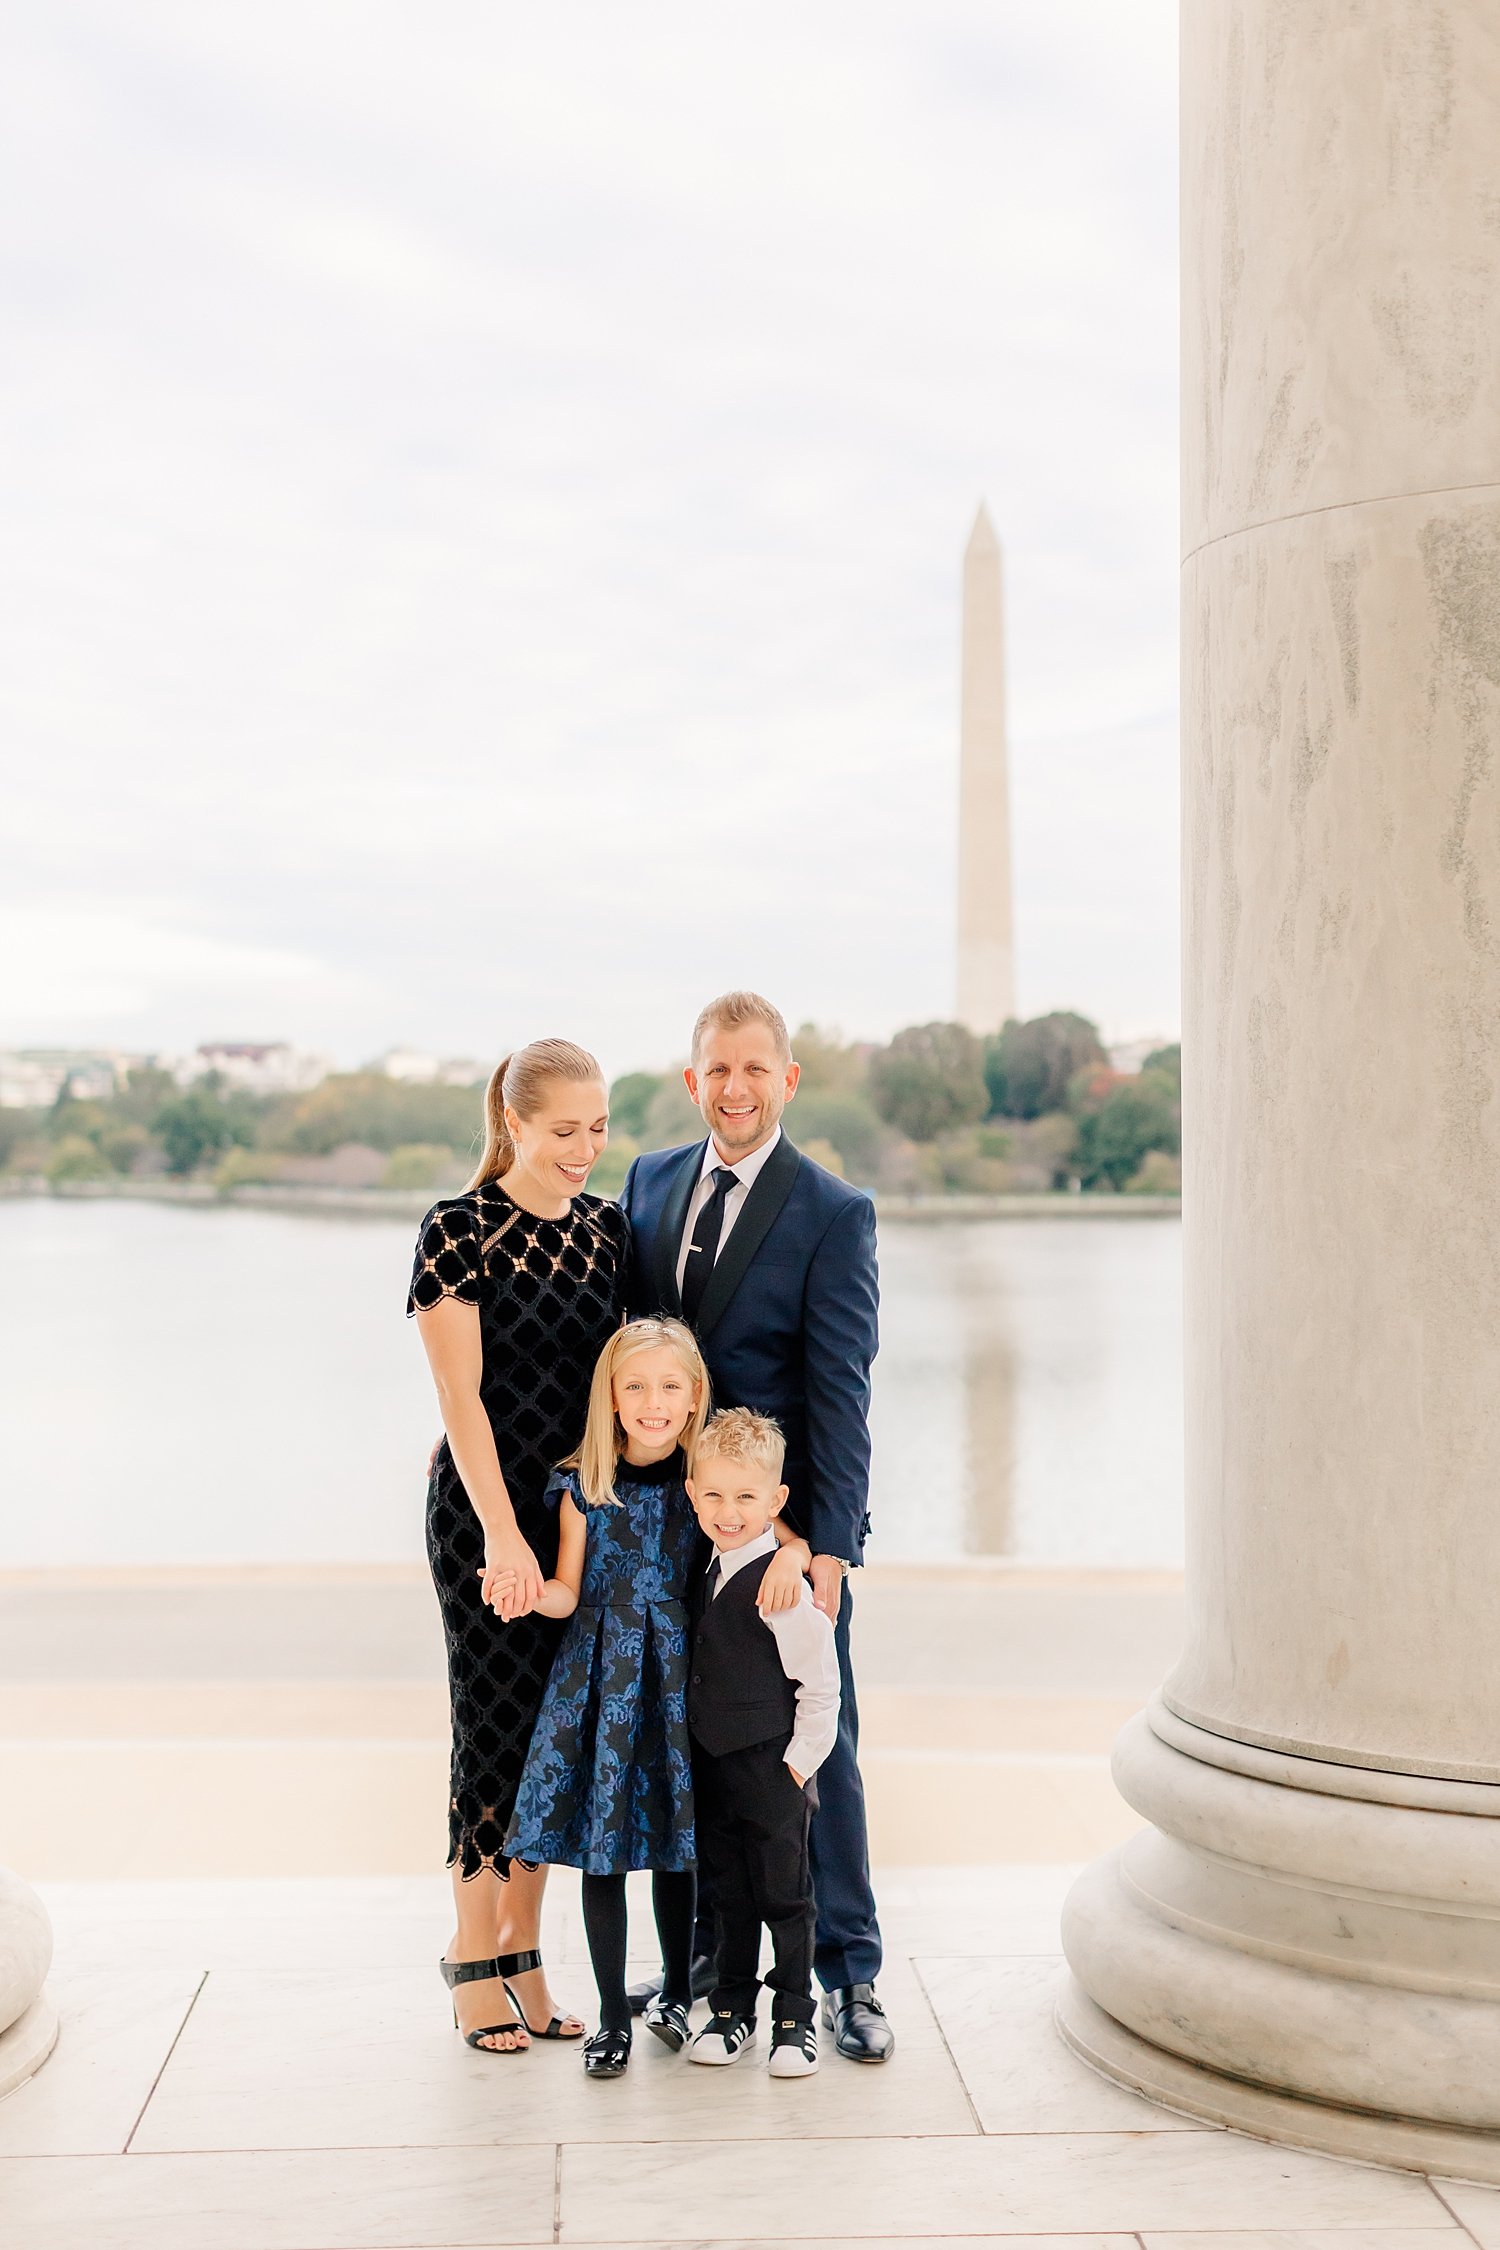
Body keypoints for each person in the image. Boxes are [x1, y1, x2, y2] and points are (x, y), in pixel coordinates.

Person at [619, 990, 893, 2064]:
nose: (734, 1088)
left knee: (817, 1749)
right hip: (674, 1536)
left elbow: (841, 1394)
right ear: (693, 1083)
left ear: (787, 1080)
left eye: (754, 1069)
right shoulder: (645, 1181)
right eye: (715, 1070)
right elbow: (622, 1356)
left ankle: (851, 1973)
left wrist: (823, 1549)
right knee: (693, 1751)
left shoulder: (832, 1211)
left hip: (776, 1542)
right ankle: (707, 1971)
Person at [503, 1321, 813, 2078]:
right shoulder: (584, 1486)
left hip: (681, 1679)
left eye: (670, 1386)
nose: (653, 1402)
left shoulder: (703, 1479)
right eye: (635, 1385)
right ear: (610, 1395)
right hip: (601, 1680)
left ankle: (678, 1993)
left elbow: (773, 1534)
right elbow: (567, 1591)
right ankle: (613, 2014)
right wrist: (526, 1590)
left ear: (695, 1394)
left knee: (682, 1846)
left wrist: (801, 1553)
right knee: (604, 1852)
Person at [409, 1038, 626, 2056]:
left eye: (598, 1128)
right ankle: (470, 1952)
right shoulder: (459, 1230)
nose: (584, 1150)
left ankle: (526, 1953)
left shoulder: (608, 1232)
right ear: (513, 1126)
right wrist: (502, 1536)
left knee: (553, 1741)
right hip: (484, 1517)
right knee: (492, 1724)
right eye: (563, 1131)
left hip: (573, 1513)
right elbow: (460, 1399)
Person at [684, 1408, 840, 2078]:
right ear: (692, 1493)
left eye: (746, 1497)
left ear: (776, 1501)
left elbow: (820, 1686)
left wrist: (797, 1765)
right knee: (730, 1894)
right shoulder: (703, 1569)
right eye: (713, 1494)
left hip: (771, 1768)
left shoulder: (782, 1586)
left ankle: (794, 2017)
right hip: (711, 1766)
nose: (728, 1511)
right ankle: (731, 2010)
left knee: (786, 1896)